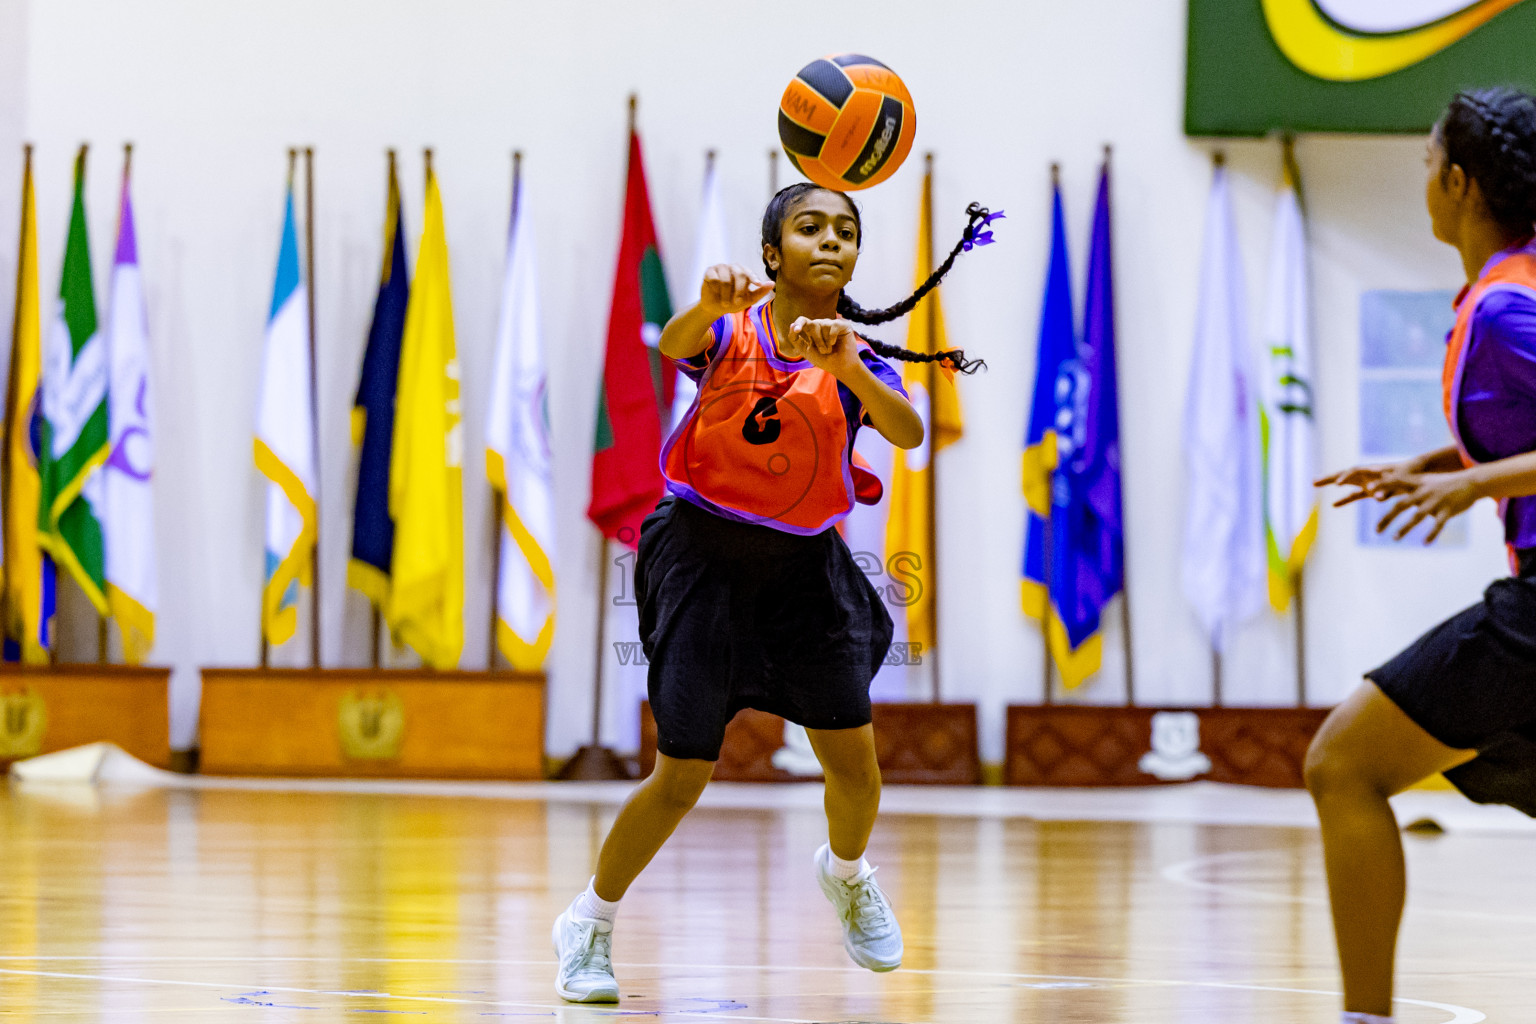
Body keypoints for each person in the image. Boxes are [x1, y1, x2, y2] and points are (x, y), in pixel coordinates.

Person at [550, 183, 996, 1003]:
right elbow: (675, 344)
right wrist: (705, 303)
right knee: (682, 771)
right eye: (810, 227)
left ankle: (848, 873)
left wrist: (849, 367)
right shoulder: (729, 328)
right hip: (703, 561)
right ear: (771, 253)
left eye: (847, 231)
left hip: (804, 572)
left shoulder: (850, 351)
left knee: (856, 769)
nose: (831, 241)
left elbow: (907, 430)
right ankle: (589, 923)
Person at [1313, 86, 1536, 1024]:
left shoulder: (1508, 311)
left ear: (1457, 180)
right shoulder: (1512, 284)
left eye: (1426, 165)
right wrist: (1439, 463)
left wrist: (1470, 486)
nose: (1424, 184)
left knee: (1343, 765)